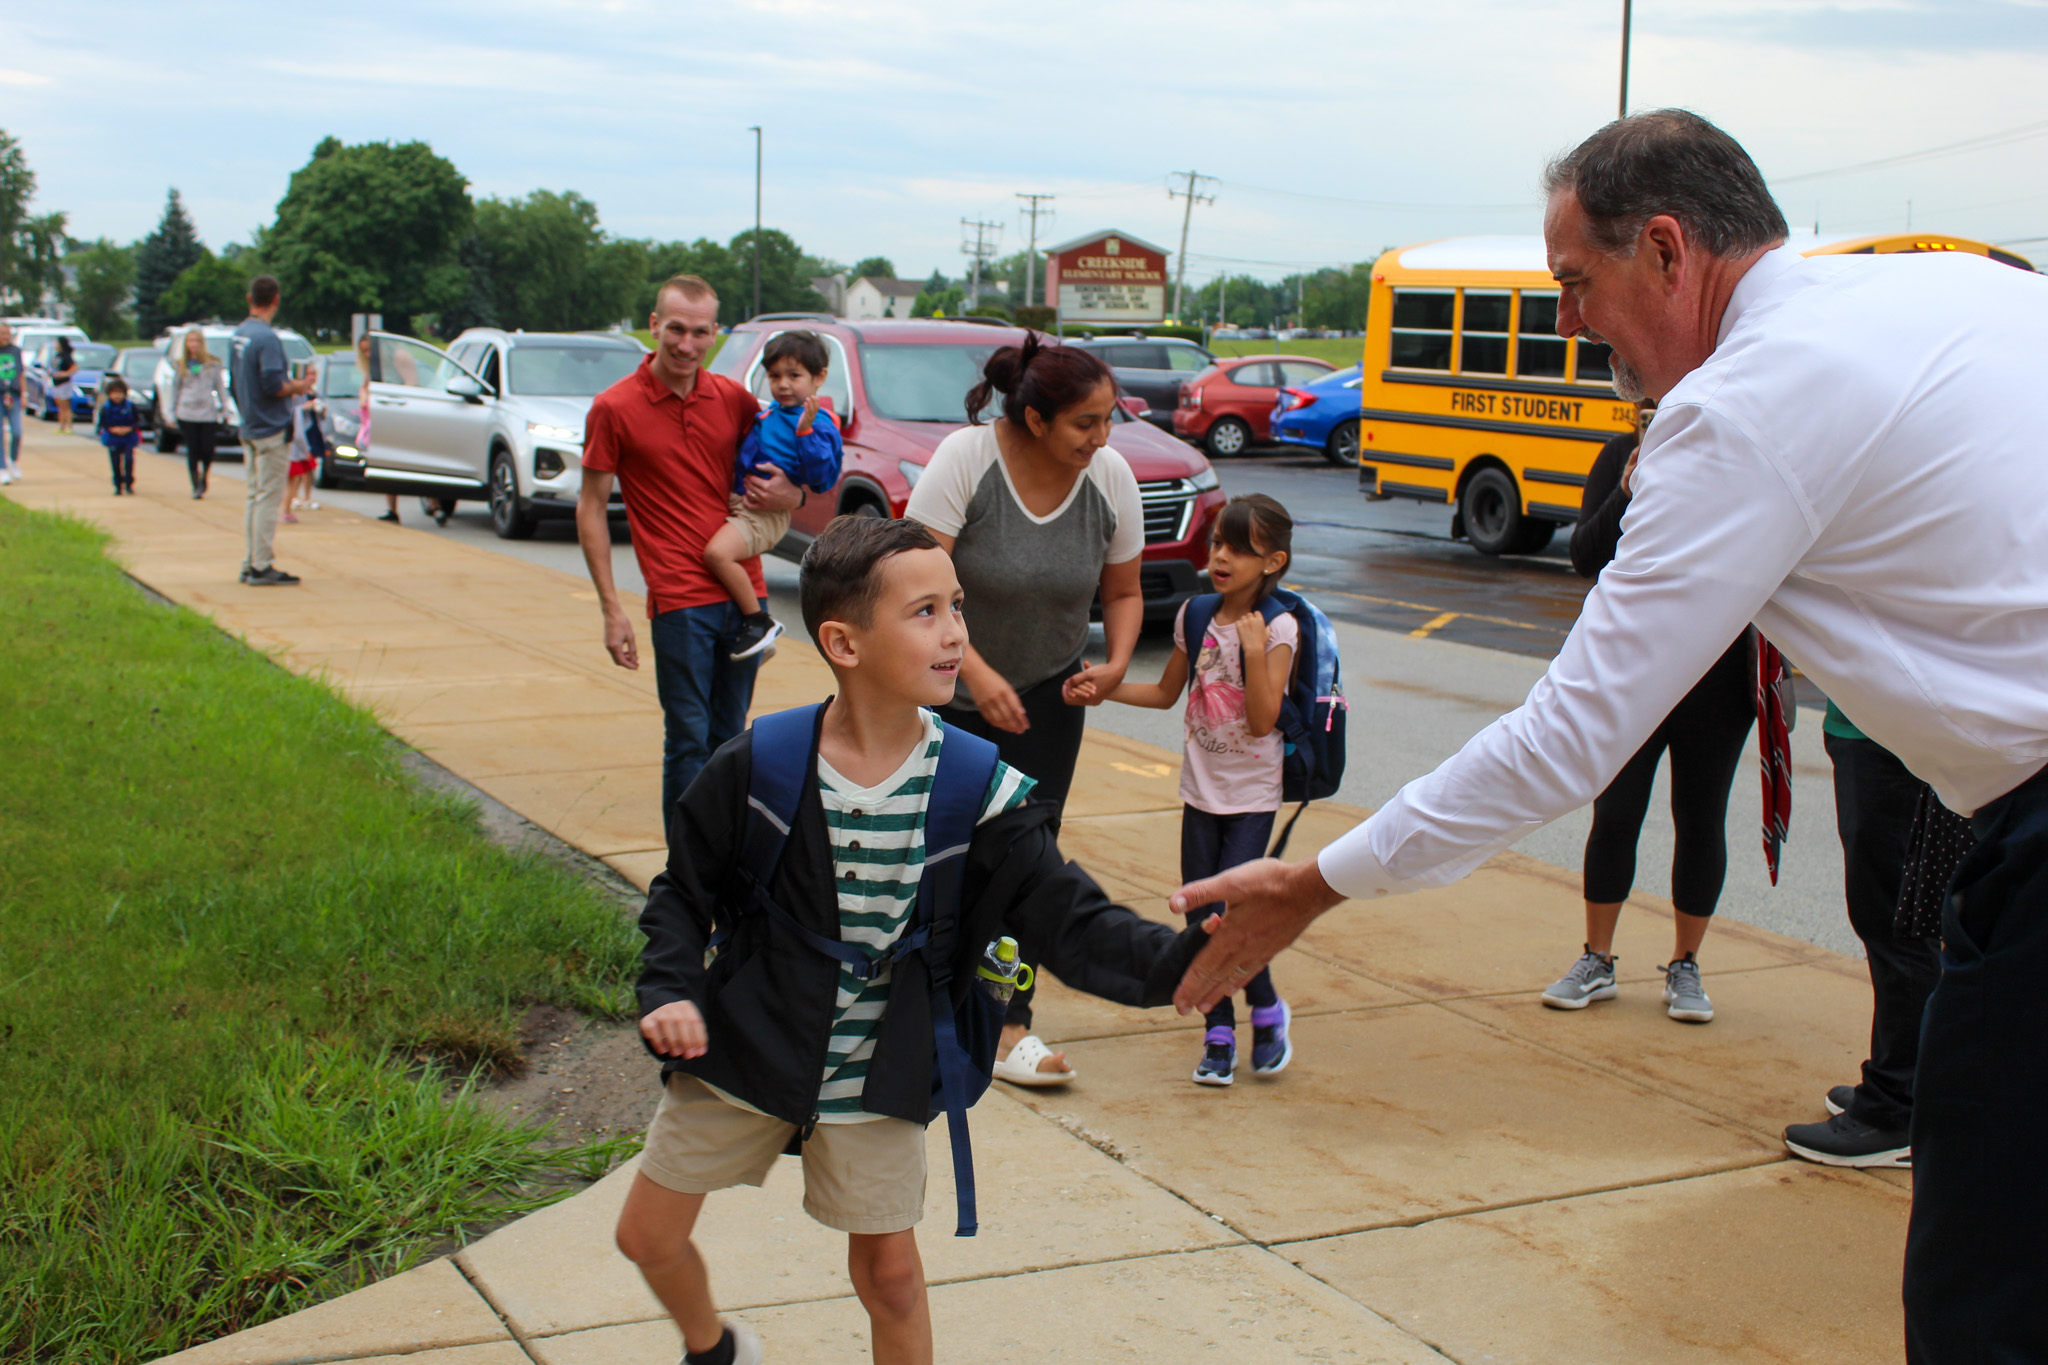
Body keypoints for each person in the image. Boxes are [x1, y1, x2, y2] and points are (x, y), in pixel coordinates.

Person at [1166, 110, 2048, 1361]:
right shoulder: (1952, 290)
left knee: (1988, 1278)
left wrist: (1316, 882)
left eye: (1575, 284)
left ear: (1671, 252)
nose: (1568, 323)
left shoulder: (1738, 406)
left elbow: (1566, 739)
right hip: (2006, 812)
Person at [617, 514, 1203, 1365]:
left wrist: (1184, 964)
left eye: (957, 605)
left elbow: (1070, 922)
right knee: (646, 1234)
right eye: (925, 611)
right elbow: (683, 893)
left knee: (890, 1276)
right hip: (751, 1038)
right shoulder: (760, 764)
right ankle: (714, 1347)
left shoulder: (980, 787)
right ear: (843, 644)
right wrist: (670, 987)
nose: (957, 630)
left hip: (880, 1061)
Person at [904, 334, 1145, 1087]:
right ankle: (912, 1008)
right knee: (936, 852)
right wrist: (973, 669)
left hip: (1048, 697)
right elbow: (909, 581)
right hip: (947, 689)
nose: (1102, 437)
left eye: (1110, 419)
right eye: (1086, 422)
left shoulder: (1110, 477)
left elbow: (1125, 592)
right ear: (1035, 418)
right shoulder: (967, 461)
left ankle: (1008, 1025)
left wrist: (1111, 666)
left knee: (1026, 860)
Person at [1541, 406, 1753, 1023]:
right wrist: (1629, 485)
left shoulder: (1734, 462)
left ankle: (1686, 965)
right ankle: (1597, 959)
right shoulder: (1617, 458)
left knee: (1700, 816)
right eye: (1645, 412)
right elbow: (1584, 554)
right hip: (1632, 671)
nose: (1654, 418)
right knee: (1615, 813)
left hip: (1717, 676)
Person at [577, 274, 802, 827]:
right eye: (675, 329)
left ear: (715, 335)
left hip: (745, 594)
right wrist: (611, 607)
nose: (686, 345)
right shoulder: (615, 407)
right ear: (655, 326)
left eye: (700, 333)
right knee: (687, 740)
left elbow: (788, 474)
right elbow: (590, 507)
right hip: (678, 599)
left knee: (731, 738)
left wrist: (791, 493)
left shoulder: (733, 400)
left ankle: (724, 867)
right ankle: (685, 885)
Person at [1101, 493, 1299, 1086]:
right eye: (1218, 543)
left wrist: (1256, 649)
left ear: (1274, 562)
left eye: (1241, 549)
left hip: (1251, 800)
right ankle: (1217, 1031)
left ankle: (1266, 1012)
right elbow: (1165, 694)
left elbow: (1264, 721)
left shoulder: (1280, 626)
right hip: (1200, 793)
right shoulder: (1194, 614)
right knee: (1199, 919)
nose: (1222, 556)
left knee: (1233, 917)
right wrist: (1101, 687)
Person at [1779, 704, 1943, 1168]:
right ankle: (1904, 1084)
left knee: (1897, 921)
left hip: (1891, 734)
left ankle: (1895, 1110)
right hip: (1870, 725)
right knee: (1890, 915)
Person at [708, 330, 843, 661]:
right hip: (743, 503)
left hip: (764, 515)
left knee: (716, 555)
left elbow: (822, 476)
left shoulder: (820, 423)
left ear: (819, 377)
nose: (783, 384)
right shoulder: (767, 415)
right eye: (774, 375)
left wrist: (806, 432)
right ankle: (758, 640)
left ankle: (758, 622)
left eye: (794, 375)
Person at [232, 275, 316, 586]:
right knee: (268, 497)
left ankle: (251, 559)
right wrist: (299, 386)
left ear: (249, 297)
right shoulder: (267, 339)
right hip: (270, 428)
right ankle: (261, 565)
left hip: (250, 426)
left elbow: (234, 383)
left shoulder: (239, 335)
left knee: (254, 496)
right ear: (276, 299)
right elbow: (272, 384)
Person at [167, 328, 228, 499]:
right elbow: (175, 388)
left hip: (207, 411)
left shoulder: (213, 363)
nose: (193, 345)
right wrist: (171, 412)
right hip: (187, 411)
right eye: (190, 341)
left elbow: (220, 386)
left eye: (196, 341)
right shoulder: (181, 364)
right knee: (193, 448)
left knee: (208, 449)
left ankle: (205, 474)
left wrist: (225, 407)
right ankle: (196, 482)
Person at [95, 377, 140, 494]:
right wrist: (113, 429)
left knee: (129, 460)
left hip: (128, 437)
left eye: (120, 393)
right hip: (113, 438)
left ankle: (129, 483)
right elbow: (102, 423)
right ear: (109, 394)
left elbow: (137, 421)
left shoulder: (130, 406)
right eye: (114, 393)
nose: (117, 396)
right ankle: (118, 485)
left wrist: (128, 428)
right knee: (115, 462)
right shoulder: (107, 407)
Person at [0, 322, 22, 484]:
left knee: (17, 431)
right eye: (2, 333)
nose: (5, 336)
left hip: (13, 395)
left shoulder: (15, 351)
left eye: (7, 333)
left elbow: (21, 373)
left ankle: (13, 460)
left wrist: (25, 394)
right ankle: (2, 468)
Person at [49, 338, 78, 435]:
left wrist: (65, 374)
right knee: (60, 406)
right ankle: (61, 426)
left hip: (64, 383)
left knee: (65, 406)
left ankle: (69, 426)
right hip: (56, 383)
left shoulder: (66, 356)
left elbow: (74, 367)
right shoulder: (57, 355)